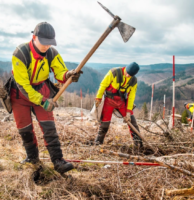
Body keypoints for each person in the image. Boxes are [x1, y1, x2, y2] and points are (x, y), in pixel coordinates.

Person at [1, 22, 82, 174]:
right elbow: (23, 85)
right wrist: (43, 101)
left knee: (49, 126)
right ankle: (32, 159)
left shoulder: (52, 53)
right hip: (20, 94)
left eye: (50, 43)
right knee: (25, 129)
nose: (46, 46)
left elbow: (60, 72)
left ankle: (58, 161)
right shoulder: (20, 53)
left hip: (42, 89)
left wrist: (68, 75)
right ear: (34, 37)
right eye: (44, 42)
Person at [94, 62, 143, 149]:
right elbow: (103, 85)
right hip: (109, 100)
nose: (128, 75)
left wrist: (128, 111)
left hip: (121, 101)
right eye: (127, 73)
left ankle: (138, 144)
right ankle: (98, 143)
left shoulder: (133, 80)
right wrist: (98, 98)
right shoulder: (114, 72)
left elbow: (131, 96)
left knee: (132, 121)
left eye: (130, 75)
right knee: (105, 123)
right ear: (125, 68)